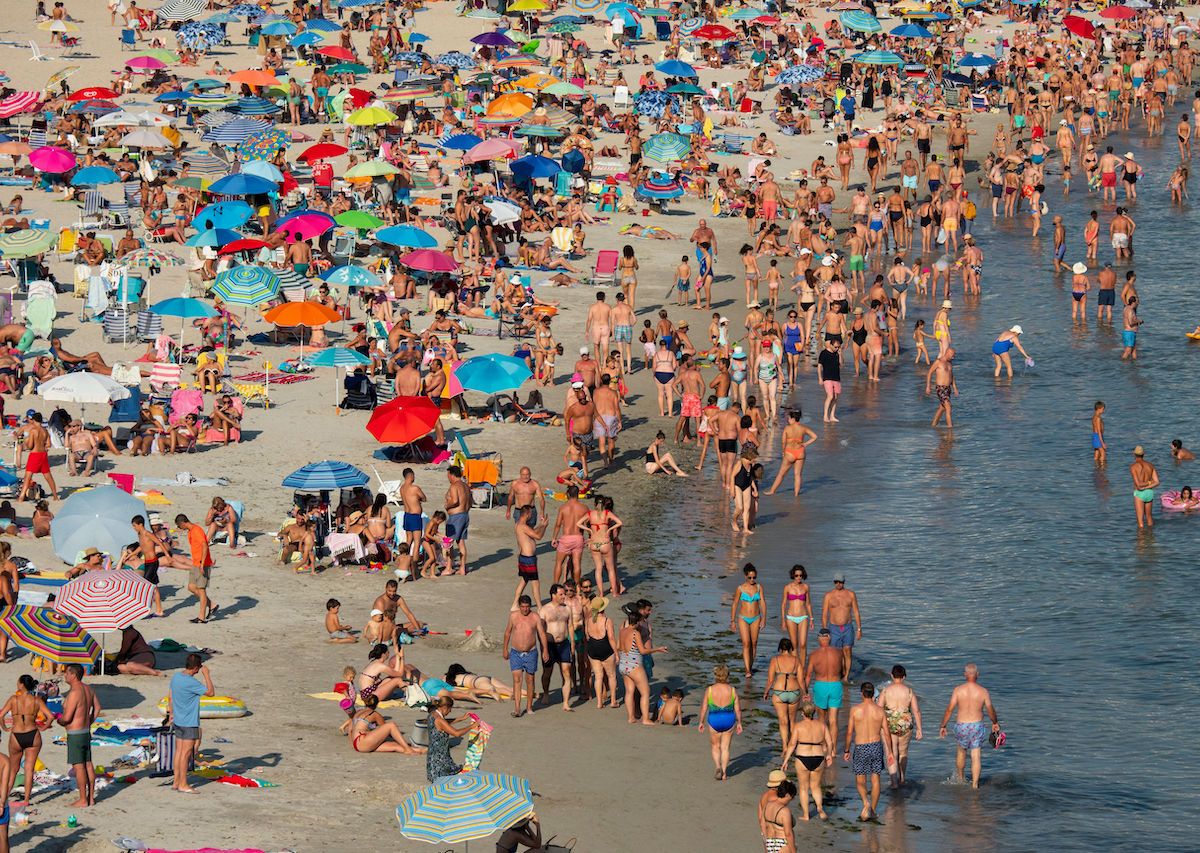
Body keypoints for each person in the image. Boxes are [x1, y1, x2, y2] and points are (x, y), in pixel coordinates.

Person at [938, 663, 1001, 789]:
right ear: (977, 674)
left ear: (965, 674)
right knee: (976, 755)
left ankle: (961, 778)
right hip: (977, 725)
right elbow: (990, 710)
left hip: (962, 725)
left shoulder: (958, 690)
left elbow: (949, 709)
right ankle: (975, 785)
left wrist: (943, 725)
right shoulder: (983, 691)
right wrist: (995, 722)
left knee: (961, 752)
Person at [0, 674, 52, 807]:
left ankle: (4, 797)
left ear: (21, 684)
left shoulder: (13, 699)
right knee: (29, 768)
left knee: (13, 769)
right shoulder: (36, 700)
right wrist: (44, 727)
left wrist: (5, 727)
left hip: (16, 735)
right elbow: (50, 717)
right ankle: (26, 800)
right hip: (33, 734)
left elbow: (1, 715)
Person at [844, 682, 892, 823]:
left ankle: (866, 802)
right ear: (873, 694)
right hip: (876, 746)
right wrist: (890, 752)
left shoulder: (855, 709)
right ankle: (873, 810)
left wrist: (846, 750)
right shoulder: (880, 710)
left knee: (860, 779)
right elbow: (887, 733)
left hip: (861, 747)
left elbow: (849, 732)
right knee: (875, 779)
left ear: (861, 693)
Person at [166, 654, 213, 794]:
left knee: (179, 753)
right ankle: (183, 784)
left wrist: (171, 714)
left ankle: (176, 782)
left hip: (178, 720)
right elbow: (210, 692)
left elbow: (170, 696)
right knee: (185, 754)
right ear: (196, 668)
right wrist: (207, 675)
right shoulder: (192, 683)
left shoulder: (176, 677)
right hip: (189, 722)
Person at [780, 702, 833, 821]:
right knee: (816, 786)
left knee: (803, 787)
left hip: (802, 757)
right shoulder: (822, 725)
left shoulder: (798, 726)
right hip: (818, 758)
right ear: (813, 713)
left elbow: (792, 744)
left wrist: (786, 761)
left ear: (803, 713)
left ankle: (806, 814)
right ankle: (819, 808)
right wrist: (829, 754)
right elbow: (829, 742)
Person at [58, 663, 100, 807]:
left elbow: (67, 718)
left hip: (75, 733)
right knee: (88, 764)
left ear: (73, 675)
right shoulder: (88, 689)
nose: (65, 675)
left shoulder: (74, 693)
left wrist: (58, 719)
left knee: (79, 766)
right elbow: (98, 708)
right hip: (85, 731)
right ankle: (91, 798)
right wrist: (89, 722)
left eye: (67, 673)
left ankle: (82, 799)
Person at [502, 595, 549, 718]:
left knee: (530, 680)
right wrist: (504, 649)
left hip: (531, 653)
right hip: (515, 653)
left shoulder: (535, 617)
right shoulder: (514, 616)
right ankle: (517, 708)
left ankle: (529, 707)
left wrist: (545, 651)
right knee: (517, 680)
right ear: (519, 606)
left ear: (530, 606)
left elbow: (542, 634)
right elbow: (507, 633)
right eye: (522, 607)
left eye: (527, 607)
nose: (525, 609)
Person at [877, 665, 923, 787]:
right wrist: (919, 729)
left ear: (891, 675)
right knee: (903, 753)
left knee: (891, 752)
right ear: (904, 677)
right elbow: (916, 711)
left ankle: (894, 782)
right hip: (905, 723)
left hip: (889, 723)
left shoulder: (886, 691)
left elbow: (879, 709)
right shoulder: (909, 691)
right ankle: (902, 777)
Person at [618, 608, 663, 726]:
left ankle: (631, 718)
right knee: (645, 692)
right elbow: (643, 651)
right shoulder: (635, 633)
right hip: (634, 665)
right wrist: (658, 649)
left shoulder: (622, 631)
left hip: (623, 664)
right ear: (637, 622)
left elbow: (618, 646)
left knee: (629, 691)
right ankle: (645, 719)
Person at [698, 664, 741, 781]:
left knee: (715, 746)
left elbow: (704, 708)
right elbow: (737, 709)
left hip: (714, 720)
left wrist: (701, 722)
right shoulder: (732, 690)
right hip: (729, 719)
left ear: (715, 675)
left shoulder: (710, 690)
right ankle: (725, 773)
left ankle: (718, 767)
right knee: (725, 747)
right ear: (727, 676)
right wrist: (740, 723)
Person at [537, 584, 577, 711]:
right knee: (547, 673)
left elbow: (570, 626)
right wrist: (544, 649)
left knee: (566, 672)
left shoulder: (567, 609)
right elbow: (540, 631)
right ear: (553, 595)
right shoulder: (544, 610)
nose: (564, 596)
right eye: (561, 594)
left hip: (564, 643)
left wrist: (572, 644)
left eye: (564, 594)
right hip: (549, 645)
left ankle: (566, 703)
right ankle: (546, 692)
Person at [351, 694, 426, 757]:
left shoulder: (358, 712)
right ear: (377, 704)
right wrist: (401, 740)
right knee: (391, 725)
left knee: (394, 746)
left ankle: (421, 750)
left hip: (357, 744)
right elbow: (387, 730)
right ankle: (408, 749)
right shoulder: (374, 714)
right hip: (363, 741)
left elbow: (351, 729)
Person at [805, 628, 844, 747]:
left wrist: (805, 692)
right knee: (833, 720)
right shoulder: (839, 652)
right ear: (830, 637)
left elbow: (808, 676)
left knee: (822, 719)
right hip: (835, 684)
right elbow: (843, 671)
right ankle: (832, 751)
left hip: (820, 685)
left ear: (819, 638)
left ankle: (823, 746)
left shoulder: (813, 655)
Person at [764, 410, 818, 496]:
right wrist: (805, 444)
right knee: (797, 475)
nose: (788, 420)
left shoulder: (787, 428)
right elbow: (815, 437)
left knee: (781, 474)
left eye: (789, 418)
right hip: (800, 452)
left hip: (789, 452)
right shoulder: (803, 428)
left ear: (793, 418)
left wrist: (783, 451)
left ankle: (772, 491)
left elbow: (783, 442)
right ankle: (796, 494)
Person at [762, 638, 803, 749]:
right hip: (794, 692)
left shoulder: (775, 660)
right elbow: (801, 680)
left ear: (780, 648)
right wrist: (806, 692)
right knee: (792, 721)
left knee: (783, 721)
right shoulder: (796, 660)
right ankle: (793, 745)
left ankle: (785, 746)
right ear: (790, 648)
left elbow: (770, 680)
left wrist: (766, 691)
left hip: (779, 692)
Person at [176, 514, 216, 623]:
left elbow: (204, 545)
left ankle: (201, 617)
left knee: (201, 590)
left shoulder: (196, 530)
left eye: (179, 527)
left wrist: (203, 563)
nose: (180, 529)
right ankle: (212, 605)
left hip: (202, 563)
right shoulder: (191, 531)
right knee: (191, 587)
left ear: (182, 523)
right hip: (195, 563)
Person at [822, 573, 861, 679]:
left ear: (844, 582)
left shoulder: (851, 594)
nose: (838, 584)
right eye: (836, 582)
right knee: (837, 653)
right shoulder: (829, 596)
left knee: (847, 651)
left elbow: (856, 612)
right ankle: (840, 672)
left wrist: (859, 629)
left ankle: (846, 676)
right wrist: (825, 630)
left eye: (840, 582)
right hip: (833, 628)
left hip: (847, 627)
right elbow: (825, 614)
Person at [731, 563, 766, 676]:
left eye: (754, 577)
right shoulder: (740, 588)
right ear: (745, 576)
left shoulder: (759, 587)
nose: (752, 579)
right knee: (746, 643)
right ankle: (747, 670)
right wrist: (732, 621)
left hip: (756, 618)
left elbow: (763, 603)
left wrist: (764, 619)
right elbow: (735, 604)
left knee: (754, 643)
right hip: (743, 618)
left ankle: (750, 666)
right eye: (750, 577)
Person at [757, 775, 797, 853]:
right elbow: (788, 833)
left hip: (770, 842)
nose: (792, 799)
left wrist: (766, 844)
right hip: (783, 843)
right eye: (792, 797)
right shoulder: (784, 810)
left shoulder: (768, 805)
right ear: (787, 795)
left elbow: (763, 824)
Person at [924, 348, 957, 428]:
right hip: (940, 388)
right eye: (952, 356)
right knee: (948, 407)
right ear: (948, 353)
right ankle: (950, 429)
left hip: (948, 388)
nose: (953, 357)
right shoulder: (938, 362)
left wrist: (955, 388)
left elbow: (951, 376)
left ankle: (933, 425)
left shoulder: (950, 363)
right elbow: (929, 373)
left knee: (942, 408)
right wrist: (928, 386)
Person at [1131, 445, 1161, 529]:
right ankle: (1151, 537)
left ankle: (1141, 540)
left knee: (1140, 522)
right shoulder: (1150, 465)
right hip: (1149, 492)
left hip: (1139, 494)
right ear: (1143, 454)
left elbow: (1139, 485)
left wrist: (1143, 487)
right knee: (1149, 518)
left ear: (1134, 454)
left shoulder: (1133, 467)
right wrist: (1149, 483)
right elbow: (1157, 482)